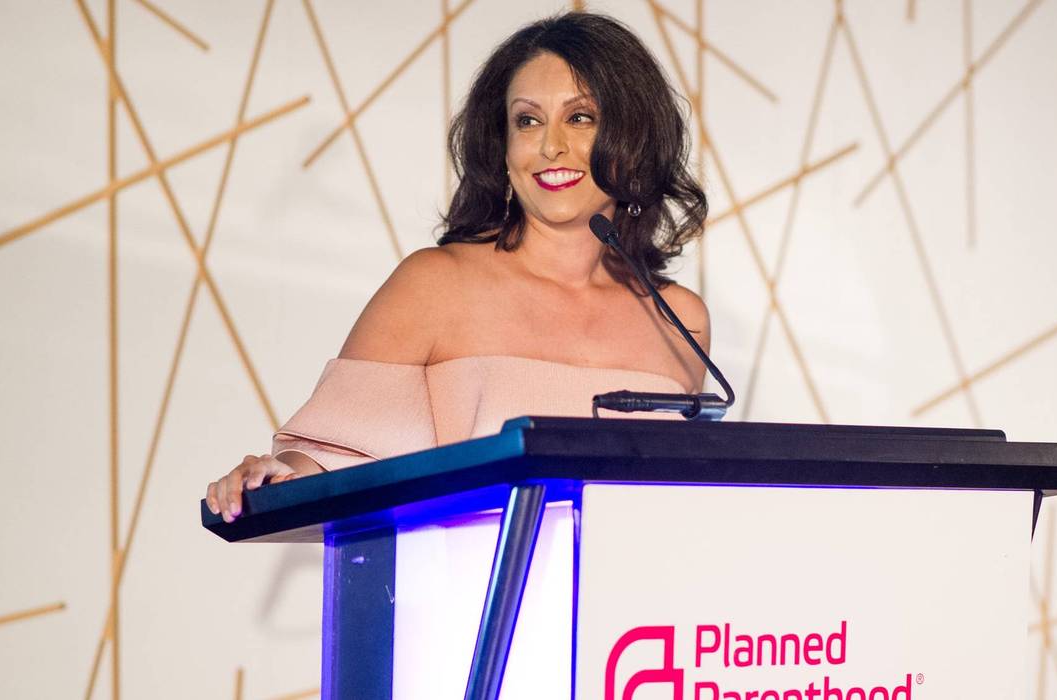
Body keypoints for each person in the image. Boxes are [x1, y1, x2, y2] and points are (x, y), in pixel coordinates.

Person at [206, 11, 709, 523]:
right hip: (473, 591)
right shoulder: (436, 284)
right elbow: (333, 456)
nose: (550, 145)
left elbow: (674, 505)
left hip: (627, 597)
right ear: (503, 146)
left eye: (580, 117)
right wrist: (270, 478)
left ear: (636, 138)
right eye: (527, 120)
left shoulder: (680, 319)